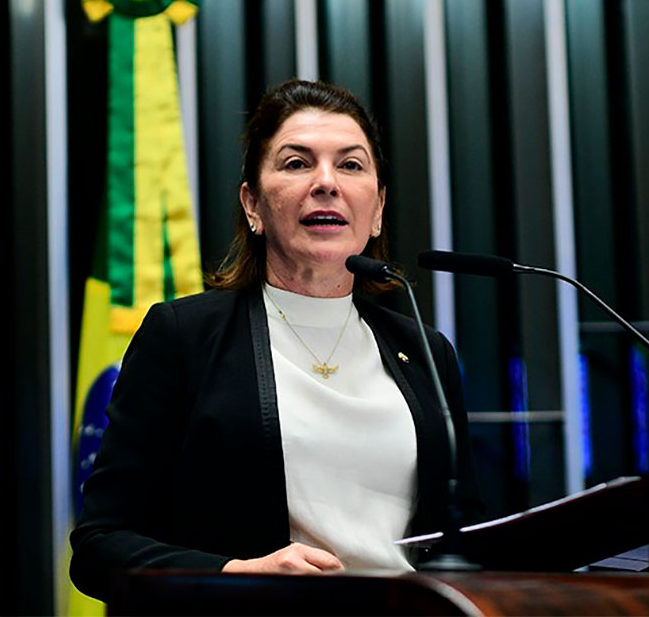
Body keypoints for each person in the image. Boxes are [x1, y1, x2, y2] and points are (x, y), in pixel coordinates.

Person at [70, 79, 485, 601]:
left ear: (377, 208)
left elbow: (469, 537)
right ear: (253, 205)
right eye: (297, 163)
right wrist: (236, 574)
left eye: (351, 165)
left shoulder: (424, 350)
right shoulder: (184, 337)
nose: (327, 182)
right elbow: (100, 546)